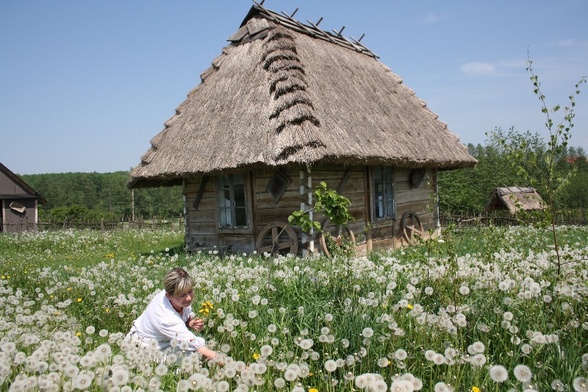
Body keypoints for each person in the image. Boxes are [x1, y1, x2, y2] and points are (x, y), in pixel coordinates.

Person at [126, 267, 217, 361]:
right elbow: (199, 349)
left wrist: (189, 322)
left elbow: (181, 316)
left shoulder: (174, 297)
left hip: (164, 339)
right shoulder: (166, 318)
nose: (189, 298)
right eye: (183, 295)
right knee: (191, 357)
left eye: (190, 291)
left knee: (198, 344)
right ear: (169, 295)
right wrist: (229, 364)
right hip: (144, 345)